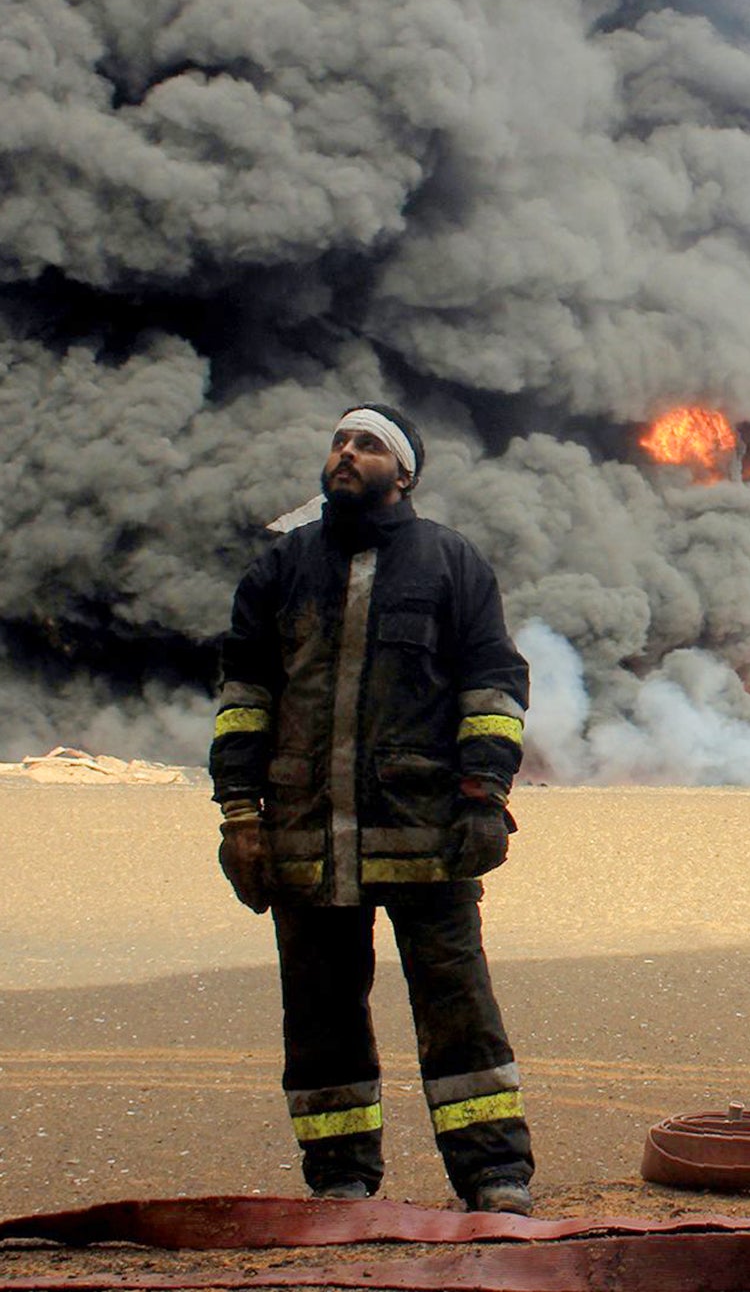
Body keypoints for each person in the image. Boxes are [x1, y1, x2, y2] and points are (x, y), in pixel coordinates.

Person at [209, 403, 537, 1214]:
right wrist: (240, 817)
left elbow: (492, 690)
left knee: (459, 1007)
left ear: (405, 471)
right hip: (304, 839)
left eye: (367, 445)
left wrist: (484, 795)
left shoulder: (452, 564)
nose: (345, 454)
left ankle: (494, 1176)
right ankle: (341, 1180)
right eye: (339, 442)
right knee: (321, 1020)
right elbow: (243, 700)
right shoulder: (280, 570)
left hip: (428, 835)